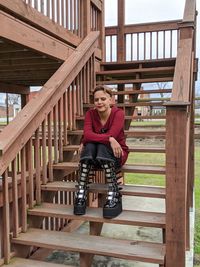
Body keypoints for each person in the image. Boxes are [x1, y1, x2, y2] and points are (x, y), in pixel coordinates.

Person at [73, 85, 129, 219]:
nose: (99, 102)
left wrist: (90, 139)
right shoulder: (90, 114)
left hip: (115, 154)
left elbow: (112, 133)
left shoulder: (118, 113)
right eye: (96, 99)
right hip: (94, 157)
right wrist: (108, 138)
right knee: (91, 146)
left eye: (103, 99)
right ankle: (82, 191)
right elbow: (87, 135)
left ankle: (114, 192)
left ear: (111, 100)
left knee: (97, 145)